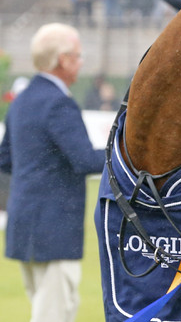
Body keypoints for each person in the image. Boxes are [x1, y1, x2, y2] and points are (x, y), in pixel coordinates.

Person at [0, 23, 104, 322]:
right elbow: (85, 160)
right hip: (54, 230)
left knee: (45, 311)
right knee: (56, 314)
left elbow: (5, 159)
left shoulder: (22, 101)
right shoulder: (59, 103)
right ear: (63, 59)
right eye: (78, 55)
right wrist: (126, 154)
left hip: (24, 225)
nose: (81, 62)